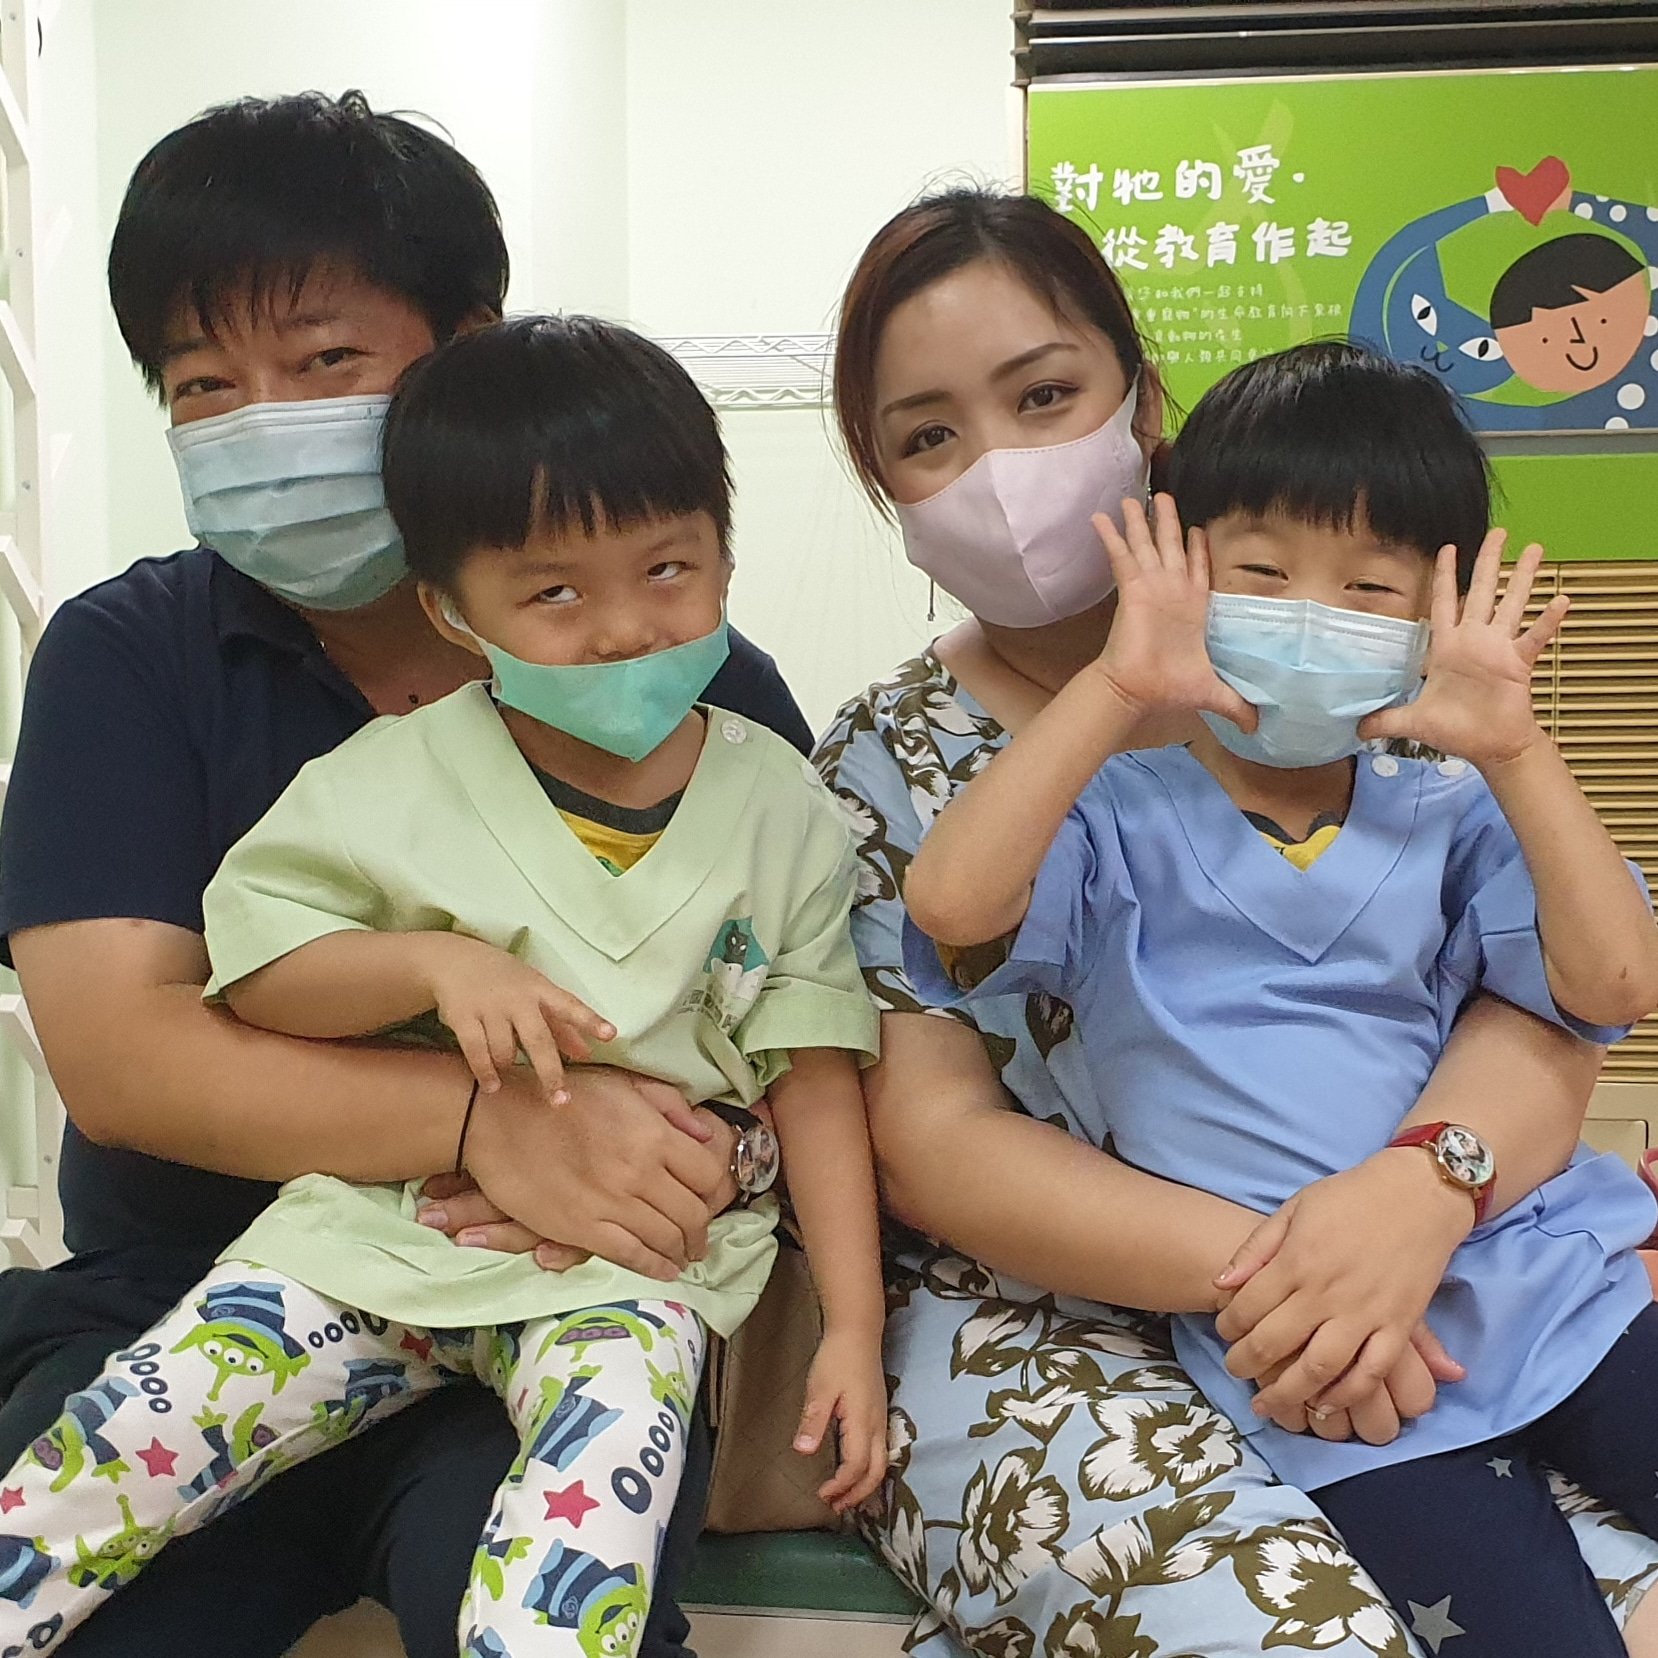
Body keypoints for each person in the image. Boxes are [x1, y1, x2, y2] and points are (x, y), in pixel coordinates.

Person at [0, 93, 813, 1658]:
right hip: (189, 1291)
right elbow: (120, 1053)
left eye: (323, 362)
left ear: (468, 354)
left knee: (563, 1615)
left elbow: (797, 1018)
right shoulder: (130, 654)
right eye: (203, 385)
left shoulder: (682, 690)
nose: (263, 421)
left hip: (549, 1301)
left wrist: (722, 1162)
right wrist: (485, 1119)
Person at [812, 187, 1658, 1656]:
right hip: (1192, 1326)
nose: (999, 469)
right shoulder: (993, 779)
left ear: (1143, 408)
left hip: (1493, 1263)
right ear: (880, 478)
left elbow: (1578, 1001)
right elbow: (941, 1061)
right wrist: (1312, 1279)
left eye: (1043, 396)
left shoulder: (1420, 756)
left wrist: (1414, 1202)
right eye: (928, 435)